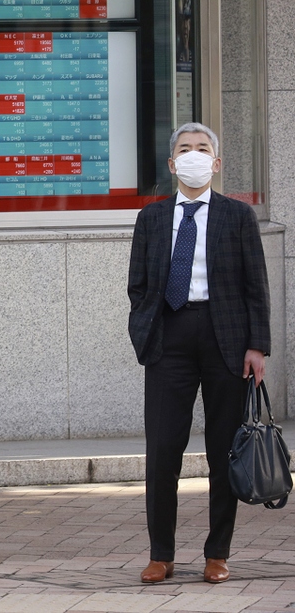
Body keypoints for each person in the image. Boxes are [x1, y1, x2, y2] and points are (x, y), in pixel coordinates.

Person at [128, 122, 269, 585]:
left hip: (224, 336)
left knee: (222, 451)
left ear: (216, 162)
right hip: (169, 337)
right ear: (172, 164)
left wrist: (257, 346)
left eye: (202, 149)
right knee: (163, 450)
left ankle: (217, 553)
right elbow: (138, 286)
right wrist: (144, 331)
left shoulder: (238, 215)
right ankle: (161, 553)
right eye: (184, 149)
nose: (193, 155)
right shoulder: (151, 217)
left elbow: (256, 286)